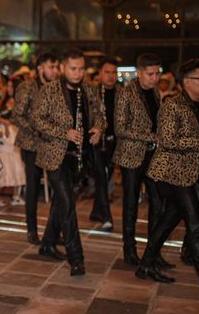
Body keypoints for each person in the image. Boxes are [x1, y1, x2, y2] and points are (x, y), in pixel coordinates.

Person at [138, 59, 199, 301]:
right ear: (187, 82)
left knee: (167, 221)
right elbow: (167, 140)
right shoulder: (173, 105)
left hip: (188, 174)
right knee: (195, 225)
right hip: (170, 174)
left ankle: (145, 264)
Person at [32, 48, 105, 276]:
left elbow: (101, 114)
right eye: (73, 68)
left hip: (79, 157)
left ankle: (47, 244)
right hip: (55, 156)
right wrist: (64, 132)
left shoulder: (89, 90)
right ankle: (77, 259)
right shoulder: (49, 90)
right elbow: (36, 120)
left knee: (61, 202)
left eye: (81, 68)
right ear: (63, 68)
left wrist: (99, 128)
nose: (78, 72)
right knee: (67, 204)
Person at [113, 54, 166, 267]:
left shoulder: (155, 92)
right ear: (139, 72)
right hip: (130, 156)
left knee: (158, 202)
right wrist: (151, 137)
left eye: (157, 73)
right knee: (130, 205)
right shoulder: (125, 93)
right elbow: (120, 128)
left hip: (152, 156)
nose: (155, 78)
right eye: (150, 74)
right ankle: (129, 250)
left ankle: (153, 250)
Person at [12, 52, 59, 245]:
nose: (55, 71)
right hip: (31, 144)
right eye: (51, 67)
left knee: (59, 187)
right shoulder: (27, 87)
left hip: (52, 144)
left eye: (57, 67)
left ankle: (53, 232)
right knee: (32, 188)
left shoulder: (57, 88)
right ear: (40, 68)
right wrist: (37, 131)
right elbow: (18, 115)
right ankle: (32, 229)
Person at [88, 57, 120, 230]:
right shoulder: (91, 92)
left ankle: (96, 211)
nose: (111, 76)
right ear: (100, 74)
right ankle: (107, 217)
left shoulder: (122, 93)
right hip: (96, 143)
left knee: (105, 177)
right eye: (107, 72)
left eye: (114, 72)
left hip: (115, 143)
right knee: (101, 177)